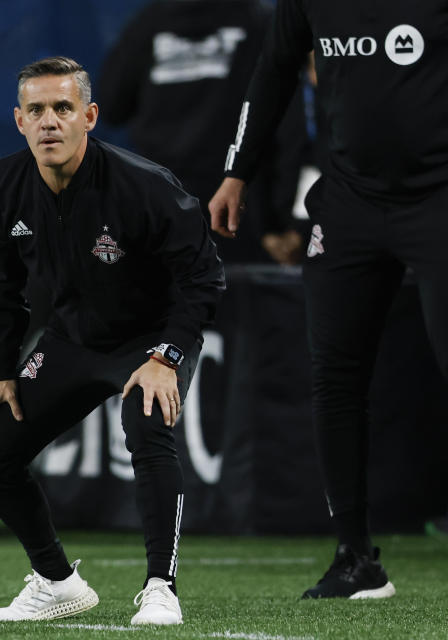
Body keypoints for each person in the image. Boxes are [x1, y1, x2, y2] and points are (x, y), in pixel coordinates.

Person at [0, 57, 224, 625]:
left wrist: (168, 357)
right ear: (18, 121)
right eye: (36, 110)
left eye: (62, 108)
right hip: (70, 339)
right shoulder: (3, 183)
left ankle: (162, 588)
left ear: (90, 115)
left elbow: (203, 277)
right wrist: (1, 371)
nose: (49, 122)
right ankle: (57, 581)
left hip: (149, 340)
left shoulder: (145, 186)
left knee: (148, 429)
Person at [210, 1, 448, 599]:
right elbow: (272, 72)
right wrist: (236, 173)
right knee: (335, 378)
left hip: (439, 200)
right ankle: (355, 560)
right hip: (349, 201)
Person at [97, 0, 306, 266]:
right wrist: (284, 221)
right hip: (238, 212)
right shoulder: (260, 21)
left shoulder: (148, 23)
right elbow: (291, 128)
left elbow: (113, 106)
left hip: (162, 207)